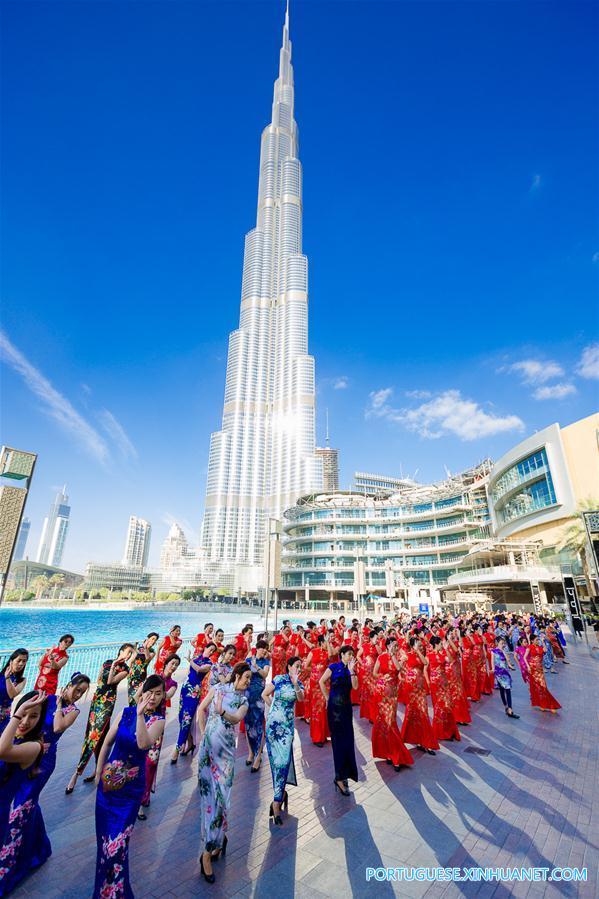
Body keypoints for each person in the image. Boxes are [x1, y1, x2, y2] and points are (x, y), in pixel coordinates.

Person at [0, 673, 90, 894]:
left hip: (43, 761)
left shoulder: (73, 710)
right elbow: (27, 713)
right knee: (26, 804)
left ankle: (10, 864)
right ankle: (40, 846)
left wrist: (60, 704)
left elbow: (58, 727)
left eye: (82, 692)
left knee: (22, 807)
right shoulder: (46, 699)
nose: (78, 695)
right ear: (69, 685)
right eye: (77, 689)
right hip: (23, 748)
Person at [92, 675, 166, 899]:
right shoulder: (125, 713)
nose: (152, 697)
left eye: (158, 693)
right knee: (103, 844)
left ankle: (117, 894)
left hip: (130, 792)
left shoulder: (159, 721)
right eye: (149, 692)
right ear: (142, 692)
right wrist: (98, 772)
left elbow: (143, 744)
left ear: (163, 697)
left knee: (118, 846)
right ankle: (104, 892)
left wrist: (141, 715)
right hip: (108, 788)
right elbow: (107, 743)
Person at [197, 662, 251, 883]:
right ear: (236, 675)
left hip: (226, 758)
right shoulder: (217, 688)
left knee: (223, 801)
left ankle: (219, 838)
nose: (249, 681)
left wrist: (222, 712)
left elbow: (236, 718)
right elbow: (201, 709)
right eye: (246, 677)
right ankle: (206, 855)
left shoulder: (244, 701)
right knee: (208, 802)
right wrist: (204, 735)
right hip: (207, 755)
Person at [67, 643, 134, 792]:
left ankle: (76, 774)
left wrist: (116, 665)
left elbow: (110, 681)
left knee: (94, 736)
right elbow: (99, 680)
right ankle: (97, 769)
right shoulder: (107, 662)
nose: (128, 656)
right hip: (97, 701)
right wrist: (112, 665)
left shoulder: (125, 669)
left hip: (107, 704)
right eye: (128, 652)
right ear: (121, 650)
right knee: (97, 737)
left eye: (130, 654)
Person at [0, 691, 47, 853]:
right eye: (24, 714)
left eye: (33, 716)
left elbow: (2, 751)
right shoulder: (9, 735)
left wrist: (18, 713)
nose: (25, 721)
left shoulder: (34, 746)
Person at [138, 656, 180, 818]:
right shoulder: (153, 678)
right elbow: (138, 696)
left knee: (151, 762)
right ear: (165, 663)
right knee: (138, 758)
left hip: (158, 724)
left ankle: (145, 795)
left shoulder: (172, 684)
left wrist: (154, 691)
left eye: (176, 665)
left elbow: (168, 695)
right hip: (143, 720)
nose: (174, 667)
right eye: (172, 663)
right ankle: (138, 795)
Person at [263, 657, 303, 824]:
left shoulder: (299, 684)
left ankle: (278, 798)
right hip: (273, 727)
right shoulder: (278, 679)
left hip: (286, 729)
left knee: (284, 762)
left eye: (301, 666)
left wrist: (295, 683)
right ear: (289, 667)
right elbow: (264, 694)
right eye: (297, 666)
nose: (299, 668)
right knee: (275, 764)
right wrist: (274, 709)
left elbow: (301, 699)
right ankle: (278, 800)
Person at [319, 645, 359, 796]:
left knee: (348, 741)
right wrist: (327, 698)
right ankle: (339, 777)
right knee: (338, 743)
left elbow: (355, 687)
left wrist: (353, 671)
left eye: (352, 654)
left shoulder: (352, 669)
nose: (351, 657)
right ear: (342, 654)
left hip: (346, 710)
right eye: (349, 654)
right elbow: (321, 681)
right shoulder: (333, 666)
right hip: (334, 710)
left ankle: (345, 774)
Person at [371, 638, 413, 771]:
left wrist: (393, 654)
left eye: (397, 645)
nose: (396, 647)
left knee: (391, 722)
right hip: (381, 692)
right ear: (388, 645)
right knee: (383, 722)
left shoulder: (401, 656)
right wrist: (382, 679)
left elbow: (399, 668)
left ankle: (395, 755)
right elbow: (375, 672)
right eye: (394, 645)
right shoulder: (381, 657)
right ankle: (388, 753)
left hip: (393, 695)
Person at [171, 644, 215, 765]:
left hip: (195, 691)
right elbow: (189, 671)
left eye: (213, 651)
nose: (211, 651)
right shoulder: (196, 657)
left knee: (187, 719)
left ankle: (177, 749)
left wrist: (189, 659)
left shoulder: (209, 663)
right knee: (182, 718)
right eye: (210, 648)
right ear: (205, 648)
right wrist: (190, 660)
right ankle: (190, 743)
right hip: (186, 687)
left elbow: (199, 670)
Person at [401, 637, 439, 755]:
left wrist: (418, 651)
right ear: (412, 645)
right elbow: (399, 667)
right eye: (417, 644)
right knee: (412, 712)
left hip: (421, 688)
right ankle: (415, 740)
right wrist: (405, 676)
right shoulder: (406, 655)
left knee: (423, 713)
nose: (420, 645)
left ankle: (427, 743)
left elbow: (426, 663)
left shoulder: (420, 654)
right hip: (411, 688)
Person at [428, 636, 460, 742]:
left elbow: (451, 661)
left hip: (444, 682)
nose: (442, 645)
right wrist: (428, 682)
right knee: (439, 707)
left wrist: (446, 649)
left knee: (447, 705)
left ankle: (448, 731)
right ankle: (441, 732)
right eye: (441, 644)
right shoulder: (428, 655)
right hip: (435, 684)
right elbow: (424, 669)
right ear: (436, 644)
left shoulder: (443, 654)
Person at [244, 640, 270, 772]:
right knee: (248, 725)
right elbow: (242, 674)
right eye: (262, 648)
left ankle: (258, 755)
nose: (265, 651)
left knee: (259, 725)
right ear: (257, 648)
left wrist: (256, 666)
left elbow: (265, 675)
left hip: (259, 697)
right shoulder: (248, 660)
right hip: (247, 696)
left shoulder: (265, 662)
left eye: (266, 649)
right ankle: (250, 752)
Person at [525, 637, 561, 713]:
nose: (537, 641)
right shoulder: (530, 647)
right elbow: (525, 657)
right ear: (532, 640)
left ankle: (549, 704)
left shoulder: (540, 647)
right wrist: (528, 666)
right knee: (537, 686)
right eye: (536, 640)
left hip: (540, 669)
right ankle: (542, 704)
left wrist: (542, 641)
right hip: (532, 669)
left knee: (543, 687)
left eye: (538, 640)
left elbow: (546, 650)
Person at [305, 635, 330, 745]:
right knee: (316, 709)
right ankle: (317, 737)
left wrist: (328, 642)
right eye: (325, 642)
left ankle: (324, 735)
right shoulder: (313, 652)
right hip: (315, 683)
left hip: (325, 683)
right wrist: (315, 671)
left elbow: (332, 654)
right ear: (320, 642)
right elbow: (306, 666)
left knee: (325, 707)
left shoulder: (327, 652)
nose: (326, 644)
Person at [0, 650, 28, 734]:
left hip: (3, 715)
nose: (21, 664)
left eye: (24, 661)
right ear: (11, 661)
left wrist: (7, 678)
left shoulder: (21, 680)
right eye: (19, 660)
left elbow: (12, 694)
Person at [490, 638, 519, 719]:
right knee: (502, 690)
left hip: (505, 672)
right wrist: (492, 669)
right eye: (501, 643)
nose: (503, 645)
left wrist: (511, 666)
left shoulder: (504, 651)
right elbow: (492, 661)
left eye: (504, 643)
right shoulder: (493, 651)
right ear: (497, 643)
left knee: (507, 689)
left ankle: (510, 709)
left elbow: (508, 662)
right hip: (498, 673)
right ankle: (506, 706)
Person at [127, 633, 159, 704]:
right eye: (152, 639)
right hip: (132, 675)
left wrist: (146, 648)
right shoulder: (138, 648)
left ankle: (138, 712)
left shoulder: (152, 651)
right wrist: (128, 672)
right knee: (130, 698)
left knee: (137, 697)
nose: (154, 641)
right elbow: (131, 661)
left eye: (155, 640)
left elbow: (147, 659)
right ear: (148, 639)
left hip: (141, 677)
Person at [357, 630, 379, 722]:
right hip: (365, 673)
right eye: (376, 638)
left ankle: (374, 715)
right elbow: (358, 656)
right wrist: (363, 664)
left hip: (374, 672)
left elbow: (381, 654)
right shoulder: (364, 646)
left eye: (377, 638)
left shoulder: (377, 646)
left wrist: (376, 644)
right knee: (367, 694)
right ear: (371, 638)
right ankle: (369, 715)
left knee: (374, 693)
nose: (377, 639)